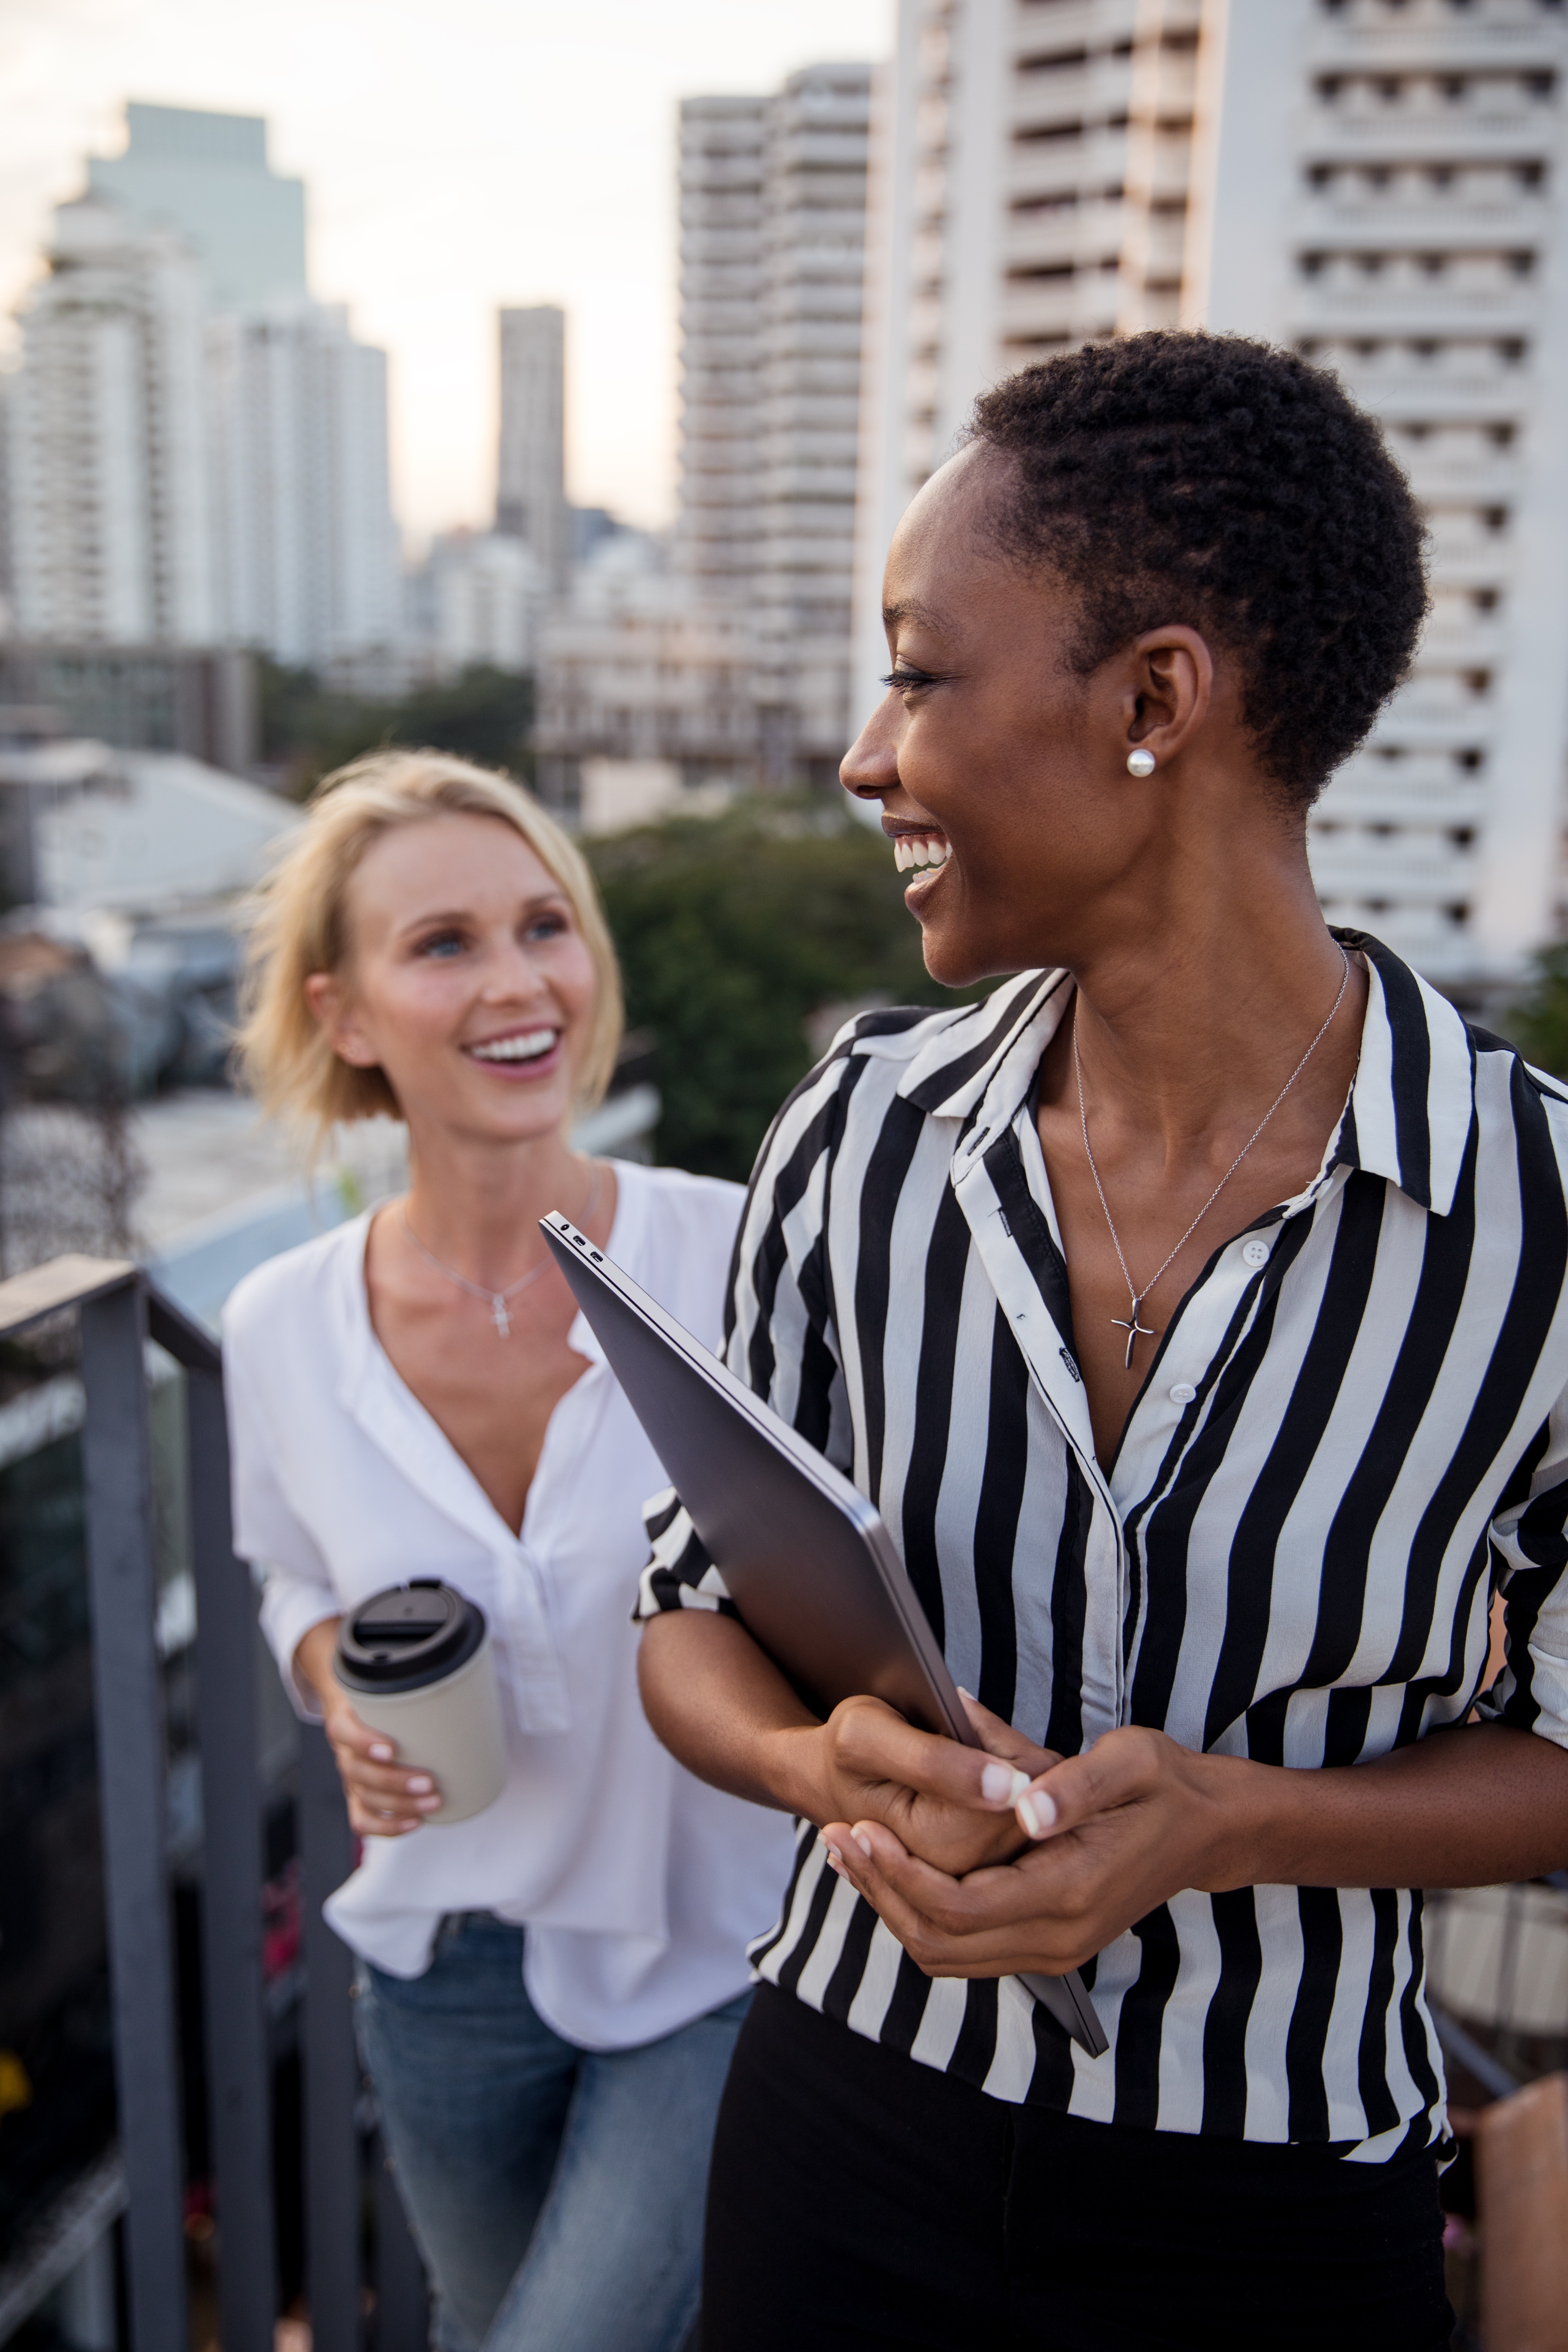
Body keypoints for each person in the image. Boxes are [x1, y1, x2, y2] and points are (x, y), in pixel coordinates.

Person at [634, 332, 1568, 2351]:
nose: (865, 753)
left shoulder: (1544, 1223)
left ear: (1154, 696)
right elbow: (684, 1612)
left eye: (914, 669)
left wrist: (1237, 1819)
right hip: (838, 2121)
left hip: (1269, 2202)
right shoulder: (855, 1130)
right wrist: (819, 1766)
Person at [223, 750, 792, 2352]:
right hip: (443, 1966)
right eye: (444, 943)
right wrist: (336, 1686)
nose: (519, 978)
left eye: (545, 922)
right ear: (344, 1017)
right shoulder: (280, 1324)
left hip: (719, 1946)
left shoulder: (735, 1255)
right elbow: (293, 1582)